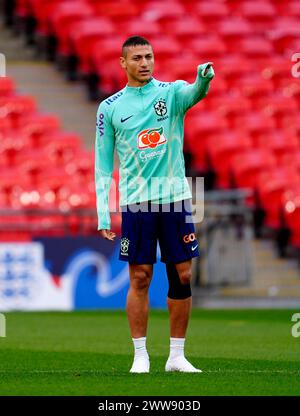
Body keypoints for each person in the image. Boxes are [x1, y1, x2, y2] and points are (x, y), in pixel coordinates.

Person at [95, 36, 214, 373]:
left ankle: (176, 356)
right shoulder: (110, 107)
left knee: (183, 273)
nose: (144, 63)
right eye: (136, 58)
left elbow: (195, 93)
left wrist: (203, 78)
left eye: (148, 56)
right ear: (123, 63)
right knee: (141, 277)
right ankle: (140, 355)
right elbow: (103, 163)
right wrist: (104, 211)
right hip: (136, 202)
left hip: (175, 198)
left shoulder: (171, 93)